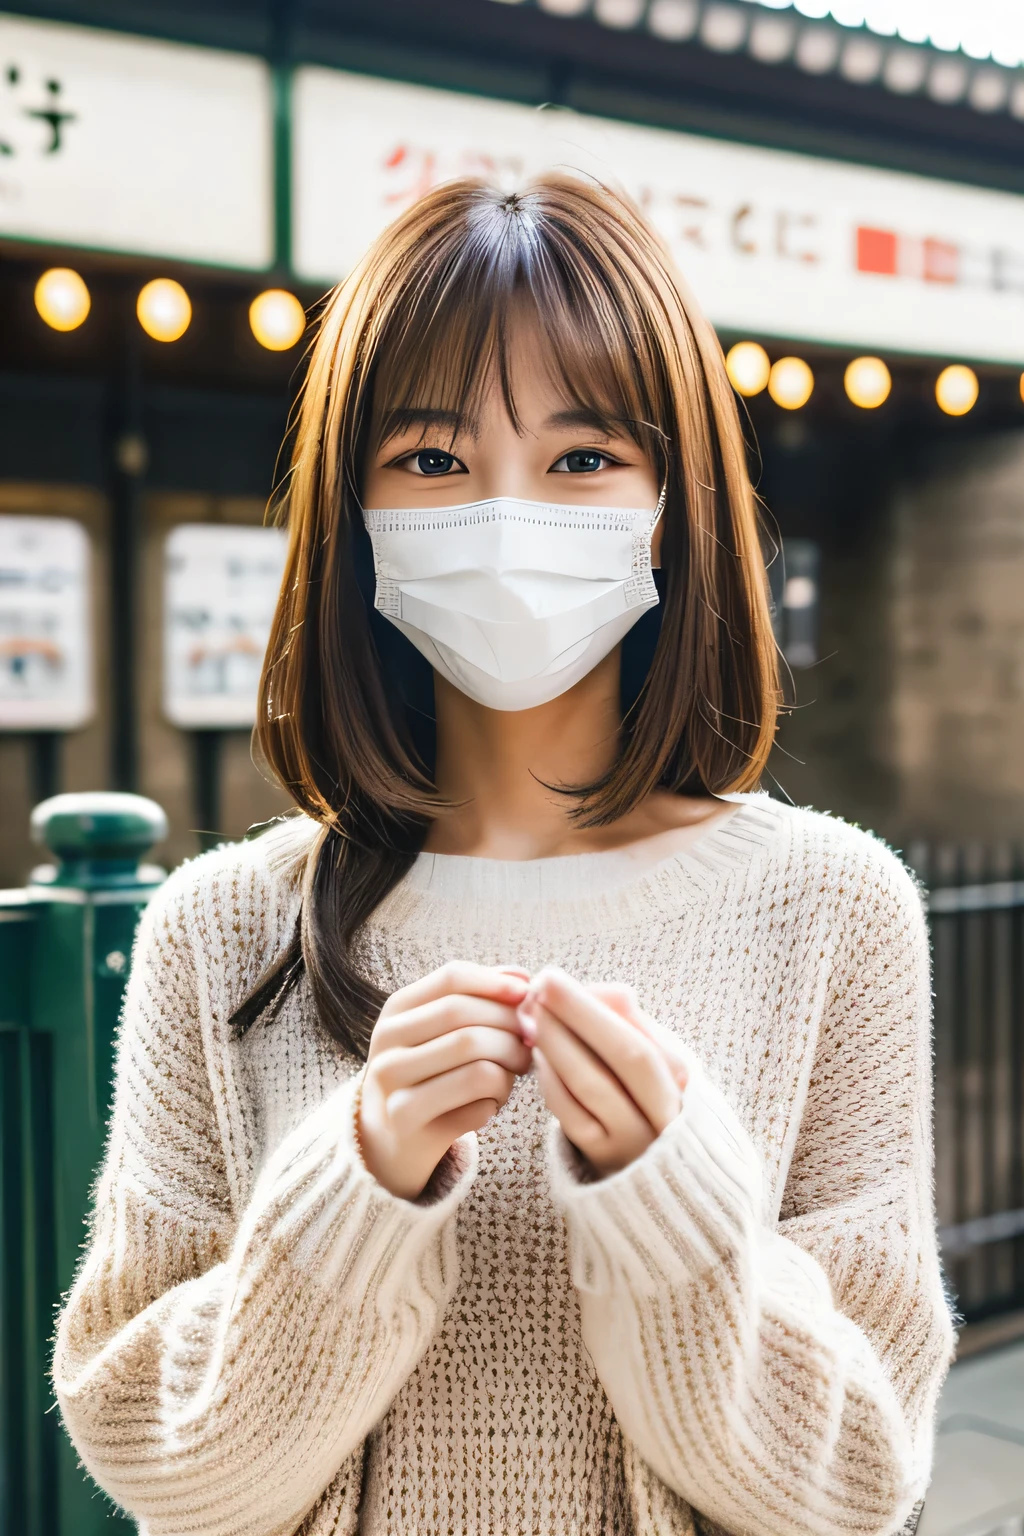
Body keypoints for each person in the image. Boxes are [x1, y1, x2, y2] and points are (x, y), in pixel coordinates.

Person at [52, 175, 954, 1536]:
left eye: (584, 458)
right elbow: (160, 1465)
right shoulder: (218, 927)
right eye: (431, 459)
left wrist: (677, 1214)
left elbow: (857, 1486)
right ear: (351, 508)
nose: (506, 512)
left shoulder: (833, 910)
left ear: (674, 500)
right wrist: (349, 1189)